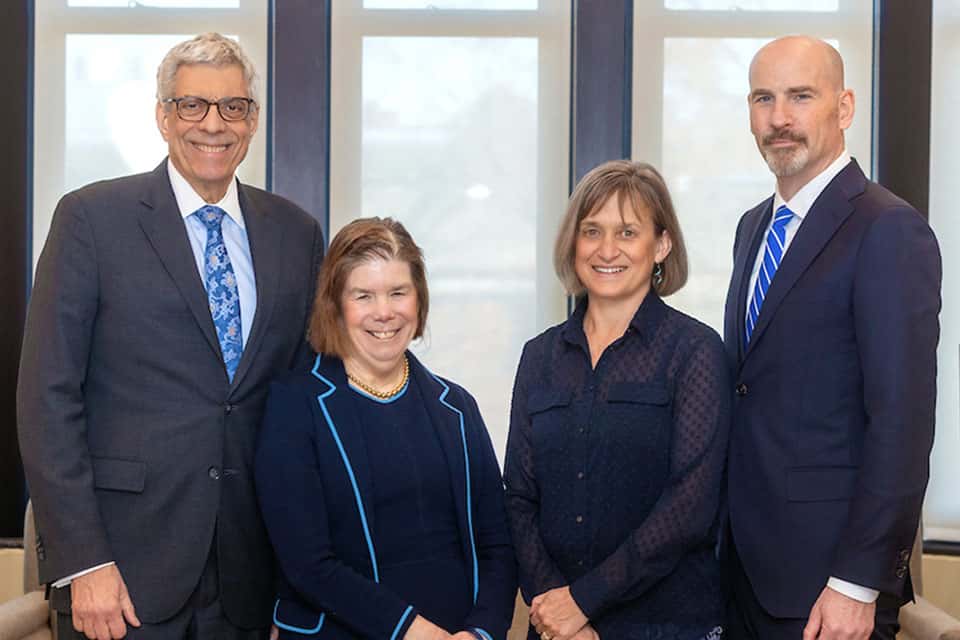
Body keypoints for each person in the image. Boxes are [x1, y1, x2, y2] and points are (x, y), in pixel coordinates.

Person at [17, 33, 324, 640]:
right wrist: (85, 562)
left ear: (253, 120)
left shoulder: (295, 232)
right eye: (193, 106)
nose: (214, 124)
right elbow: (47, 399)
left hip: (249, 576)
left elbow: (302, 396)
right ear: (163, 116)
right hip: (120, 575)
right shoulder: (91, 220)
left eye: (232, 107)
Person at [722, 36, 941, 640]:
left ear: (844, 108)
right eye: (763, 98)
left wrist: (857, 583)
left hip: (830, 589)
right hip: (743, 572)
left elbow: (902, 422)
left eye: (800, 96)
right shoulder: (753, 228)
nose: (779, 118)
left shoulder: (888, 228)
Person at [254, 217, 517, 640]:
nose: (384, 312)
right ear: (336, 306)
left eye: (398, 292)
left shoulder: (457, 407)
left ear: (419, 299)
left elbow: (497, 546)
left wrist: (481, 632)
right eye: (364, 295)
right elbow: (307, 564)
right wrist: (415, 633)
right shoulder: (295, 405)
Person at [504, 160, 731, 640]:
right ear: (574, 243)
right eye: (592, 231)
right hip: (556, 628)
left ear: (661, 246)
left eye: (628, 232)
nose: (607, 250)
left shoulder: (694, 351)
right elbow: (518, 499)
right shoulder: (539, 357)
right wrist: (558, 612)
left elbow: (690, 506)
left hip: (666, 625)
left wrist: (583, 602)